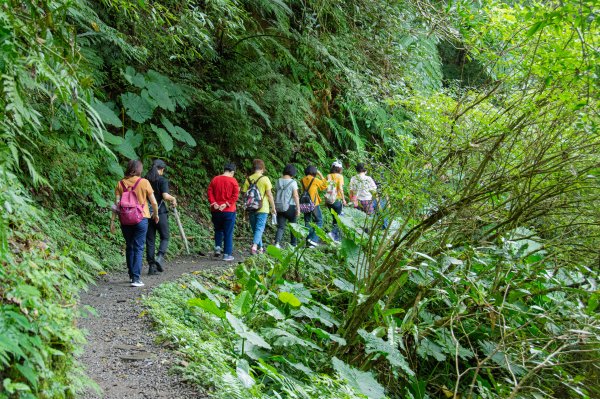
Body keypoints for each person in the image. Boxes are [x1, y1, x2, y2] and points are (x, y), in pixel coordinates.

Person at [110, 159, 159, 287]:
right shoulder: (144, 182)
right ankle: (136, 279)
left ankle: (132, 275)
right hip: (141, 218)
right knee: (138, 247)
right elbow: (153, 202)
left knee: (129, 246)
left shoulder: (120, 183)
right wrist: (156, 214)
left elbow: (116, 205)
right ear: (139, 169)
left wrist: (112, 221)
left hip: (125, 219)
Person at [145, 159, 177, 275]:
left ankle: (151, 267)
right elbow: (165, 195)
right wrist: (173, 198)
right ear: (161, 169)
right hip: (160, 213)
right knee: (165, 237)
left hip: (147, 213)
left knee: (150, 240)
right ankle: (159, 257)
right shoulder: (162, 180)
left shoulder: (145, 179)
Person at [242, 159, 276, 254]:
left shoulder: (248, 179)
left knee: (255, 229)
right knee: (259, 228)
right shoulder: (265, 179)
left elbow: (245, 195)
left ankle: (260, 248)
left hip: (251, 207)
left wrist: (244, 210)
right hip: (263, 207)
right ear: (262, 168)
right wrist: (273, 207)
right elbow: (269, 195)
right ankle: (254, 246)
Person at [207, 163, 240, 261]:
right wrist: (226, 204)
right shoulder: (233, 181)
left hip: (216, 210)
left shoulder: (215, 179)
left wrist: (214, 203)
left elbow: (210, 191)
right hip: (229, 211)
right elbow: (235, 195)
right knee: (228, 232)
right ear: (232, 172)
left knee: (218, 229)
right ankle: (227, 254)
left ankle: (218, 247)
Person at [300, 165, 328, 247]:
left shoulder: (302, 180)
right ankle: (313, 240)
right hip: (314, 203)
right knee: (319, 221)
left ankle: (308, 240)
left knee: (307, 221)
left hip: (305, 203)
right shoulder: (315, 180)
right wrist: (320, 175)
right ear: (314, 172)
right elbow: (324, 186)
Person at [274, 164, 301, 248]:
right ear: (293, 173)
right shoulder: (293, 182)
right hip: (290, 207)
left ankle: (277, 243)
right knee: (293, 226)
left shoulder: (278, 181)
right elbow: (295, 196)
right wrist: (298, 208)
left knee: (280, 227)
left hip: (279, 206)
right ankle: (293, 244)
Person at [325, 161, 347, 242]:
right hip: (337, 200)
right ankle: (333, 234)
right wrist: (344, 199)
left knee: (335, 218)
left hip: (329, 201)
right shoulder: (340, 176)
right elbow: (340, 188)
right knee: (340, 218)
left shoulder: (328, 176)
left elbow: (326, 187)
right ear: (339, 169)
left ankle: (335, 238)